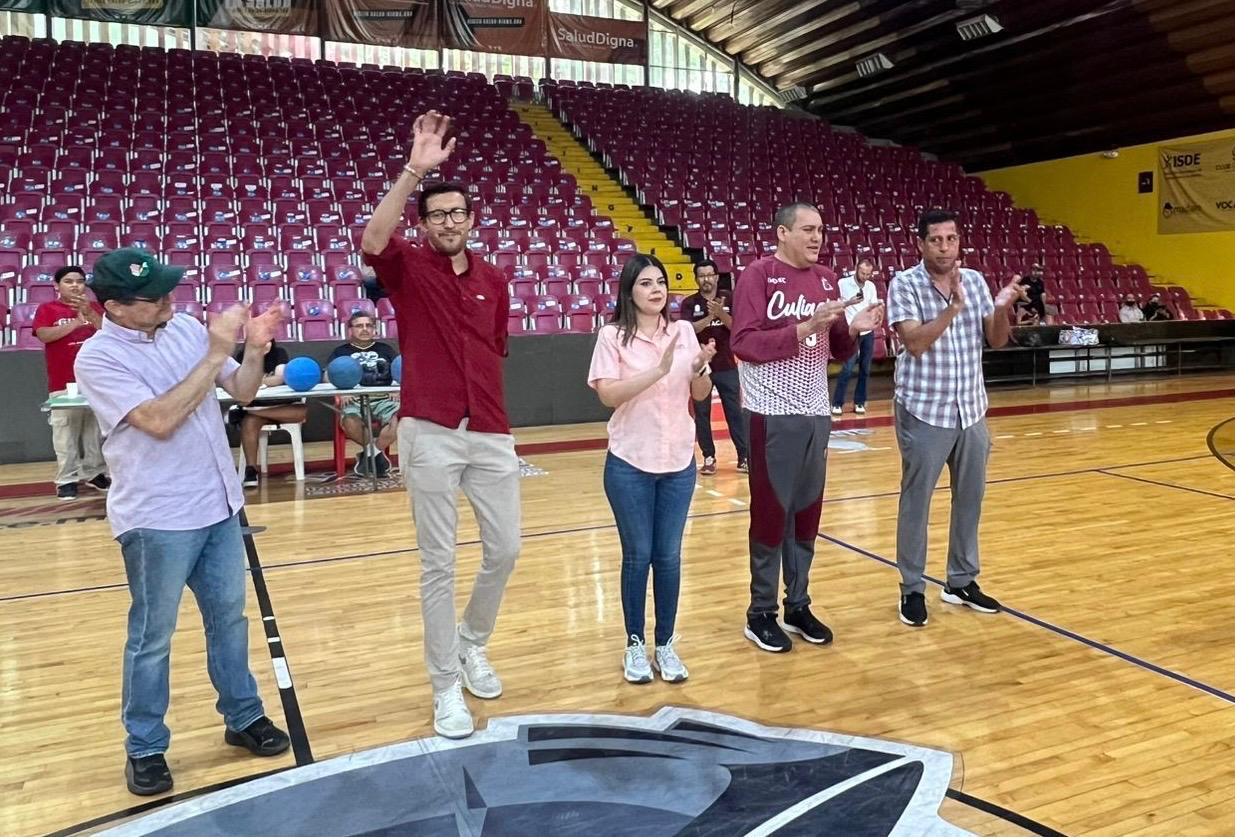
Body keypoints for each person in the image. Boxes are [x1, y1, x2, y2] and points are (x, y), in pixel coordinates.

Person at [73, 248, 290, 796]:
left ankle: (243, 716)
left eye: (170, 288)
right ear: (115, 307)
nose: (169, 299)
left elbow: (243, 391)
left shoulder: (187, 329)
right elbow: (160, 420)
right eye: (154, 296)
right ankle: (145, 746)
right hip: (157, 518)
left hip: (219, 506)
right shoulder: (98, 358)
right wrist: (216, 353)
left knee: (229, 621)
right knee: (152, 637)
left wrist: (253, 350)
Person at [361, 111, 521, 740]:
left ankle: (471, 641)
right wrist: (413, 171)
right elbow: (374, 239)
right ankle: (444, 686)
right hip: (428, 431)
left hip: (491, 429)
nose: (449, 222)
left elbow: (496, 349)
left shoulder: (495, 280)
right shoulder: (407, 268)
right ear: (424, 224)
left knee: (505, 550)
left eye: (457, 213)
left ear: (471, 220)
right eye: (437, 215)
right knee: (438, 562)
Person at [731, 203, 885, 653]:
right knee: (771, 513)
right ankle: (760, 612)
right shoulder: (758, 275)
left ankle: (797, 604)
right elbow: (744, 343)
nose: (817, 237)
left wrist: (853, 330)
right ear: (782, 233)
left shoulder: (826, 279)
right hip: (771, 412)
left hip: (816, 412)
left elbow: (835, 346)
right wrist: (806, 326)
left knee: (806, 513)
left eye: (820, 230)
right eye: (807, 229)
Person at [887, 209, 1024, 628]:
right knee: (917, 501)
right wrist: (952, 309)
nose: (945, 247)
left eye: (951, 239)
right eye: (936, 240)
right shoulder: (904, 284)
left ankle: (961, 581)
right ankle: (912, 588)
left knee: (970, 498)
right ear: (920, 244)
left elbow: (995, 340)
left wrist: (1000, 308)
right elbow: (914, 343)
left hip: (971, 408)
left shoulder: (976, 281)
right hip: (924, 409)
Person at [589, 254, 716, 685]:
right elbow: (608, 395)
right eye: (645, 283)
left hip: (678, 461)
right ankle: (635, 644)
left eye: (660, 282)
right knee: (638, 555)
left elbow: (700, 393)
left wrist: (699, 370)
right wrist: (659, 370)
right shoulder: (611, 336)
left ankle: (665, 644)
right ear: (629, 291)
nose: (656, 289)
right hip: (629, 463)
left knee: (668, 557)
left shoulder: (683, 332)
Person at [34, 266, 111, 500]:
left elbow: (108, 333)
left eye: (80, 281)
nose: (76, 285)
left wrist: (89, 313)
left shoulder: (95, 307)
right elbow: (44, 335)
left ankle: (94, 472)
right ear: (56, 286)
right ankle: (66, 479)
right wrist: (75, 323)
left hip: (95, 380)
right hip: (63, 381)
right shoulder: (47, 309)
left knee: (94, 431)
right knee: (65, 432)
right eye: (69, 281)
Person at [678, 258, 747, 475]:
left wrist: (721, 313)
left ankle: (744, 457)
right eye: (702, 276)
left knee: (735, 413)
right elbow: (689, 330)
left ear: (717, 277)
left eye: (710, 275)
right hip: (701, 369)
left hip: (727, 365)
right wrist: (710, 316)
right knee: (702, 413)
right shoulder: (689, 303)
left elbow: (738, 327)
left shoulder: (730, 298)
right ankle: (709, 457)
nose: (706, 279)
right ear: (696, 279)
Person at [329, 311, 399, 477]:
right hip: (354, 399)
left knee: (403, 420)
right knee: (349, 421)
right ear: (350, 330)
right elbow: (328, 376)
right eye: (359, 326)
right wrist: (341, 389)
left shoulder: (386, 349)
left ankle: (370, 454)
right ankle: (376, 456)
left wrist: (397, 389)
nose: (365, 329)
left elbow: (400, 371)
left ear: (374, 329)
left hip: (384, 397)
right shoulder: (340, 352)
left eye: (369, 325)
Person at [230, 338, 307, 488]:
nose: (264, 343)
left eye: (267, 340)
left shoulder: (279, 353)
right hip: (256, 404)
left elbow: (279, 378)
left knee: (301, 411)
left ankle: (247, 412)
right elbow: (239, 382)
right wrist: (263, 378)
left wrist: (256, 381)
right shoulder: (242, 357)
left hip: (282, 405)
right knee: (249, 422)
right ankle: (251, 470)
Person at [830, 257, 880, 417]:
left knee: (865, 368)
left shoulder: (871, 286)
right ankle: (837, 403)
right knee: (847, 368)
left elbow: (873, 306)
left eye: (868, 274)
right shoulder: (843, 284)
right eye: (862, 273)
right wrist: (849, 303)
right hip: (851, 331)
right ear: (857, 269)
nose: (865, 276)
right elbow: (835, 305)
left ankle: (859, 402)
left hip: (867, 332)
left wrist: (877, 310)